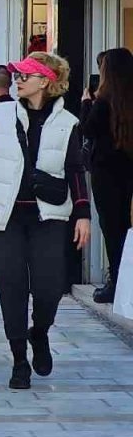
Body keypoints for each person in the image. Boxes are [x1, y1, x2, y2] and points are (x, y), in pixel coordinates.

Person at [0, 53, 91, 390]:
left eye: (26, 75)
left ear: (46, 81)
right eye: (17, 75)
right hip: (5, 217)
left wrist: (82, 214)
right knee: (11, 288)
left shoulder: (68, 122)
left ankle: (39, 332)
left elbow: (76, 170)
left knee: (49, 288)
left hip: (49, 216)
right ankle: (18, 361)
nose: (18, 80)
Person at [83, 47, 133, 303]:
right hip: (126, 170)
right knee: (123, 225)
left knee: (113, 228)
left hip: (106, 173)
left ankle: (117, 282)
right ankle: (123, 281)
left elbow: (87, 129)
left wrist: (85, 103)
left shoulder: (102, 103)